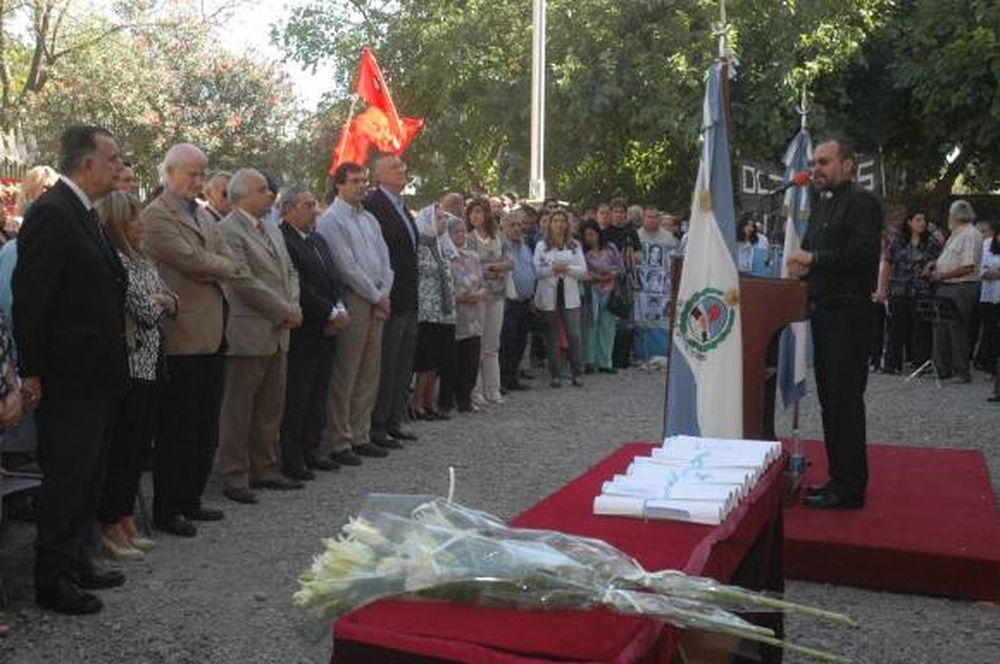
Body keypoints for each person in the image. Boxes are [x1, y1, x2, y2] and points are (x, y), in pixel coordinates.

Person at [13, 125, 129, 614]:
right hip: (68, 375)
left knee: (88, 476)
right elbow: (32, 299)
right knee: (66, 479)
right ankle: (53, 578)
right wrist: (33, 369)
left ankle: (78, 559)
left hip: (96, 373)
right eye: (113, 159)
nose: (120, 168)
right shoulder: (53, 212)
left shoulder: (83, 213)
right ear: (87, 164)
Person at [143, 143, 246, 537]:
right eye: (192, 173)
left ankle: (191, 498)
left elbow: (221, 259)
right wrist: (221, 268)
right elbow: (194, 261)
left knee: (204, 426)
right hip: (181, 336)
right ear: (168, 173)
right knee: (178, 429)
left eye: (203, 174)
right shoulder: (156, 216)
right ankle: (168, 509)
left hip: (213, 333)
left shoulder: (202, 215)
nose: (199, 181)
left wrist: (218, 267)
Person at [786, 139, 882, 510]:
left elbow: (862, 256)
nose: (816, 169)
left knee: (844, 402)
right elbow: (810, 256)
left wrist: (814, 257)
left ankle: (849, 487)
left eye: (824, 162)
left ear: (848, 165)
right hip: (824, 314)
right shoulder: (823, 203)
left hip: (849, 316)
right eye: (813, 163)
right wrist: (797, 271)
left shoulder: (861, 202)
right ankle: (839, 479)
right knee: (831, 402)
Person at [95, 192, 176, 560]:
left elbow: (170, 300)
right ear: (116, 223)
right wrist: (161, 302)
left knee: (139, 447)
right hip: (131, 366)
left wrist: (163, 302)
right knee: (124, 450)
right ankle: (110, 524)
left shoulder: (143, 259)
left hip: (152, 360)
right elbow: (146, 308)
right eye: (133, 218)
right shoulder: (120, 263)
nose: (141, 223)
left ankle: (125, 517)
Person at [216, 169, 303, 503]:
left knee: (270, 405)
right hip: (249, 329)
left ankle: (264, 467)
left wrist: (292, 304)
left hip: (280, 330)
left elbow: (290, 271)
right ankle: (235, 474)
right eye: (263, 190)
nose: (270, 195)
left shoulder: (272, 229)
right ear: (242, 195)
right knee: (239, 407)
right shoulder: (227, 230)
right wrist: (283, 309)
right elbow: (241, 279)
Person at [317, 161, 393, 465]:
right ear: (339, 185)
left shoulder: (370, 219)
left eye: (364, 180)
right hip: (355, 300)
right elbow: (346, 267)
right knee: (346, 372)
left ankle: (361, 433)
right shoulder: (332, 220)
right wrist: (376, 295)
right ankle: (340, 439)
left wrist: (384, 292)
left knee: (369, 371)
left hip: (377, 298)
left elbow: (386, 259)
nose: (363, 185)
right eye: (355, 180)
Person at [277, 185, 348, 481]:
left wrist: (339, 307)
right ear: (288, 209)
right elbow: (300, 287)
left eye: (313, 204)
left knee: (319, 393)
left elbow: (333, 279)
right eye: (306, 205)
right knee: (298, 396)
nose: (313, 210)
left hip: (327, 329)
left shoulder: (318, 239)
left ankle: (311, 450)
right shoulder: (284, 239)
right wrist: (329, 312)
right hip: (304, 329)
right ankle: (292, 458)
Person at [365, 155, 419, 447]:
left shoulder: (403, 208)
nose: (402, 169)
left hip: (409, 298)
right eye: (394, 167)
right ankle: (378, 425)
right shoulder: (374, 206)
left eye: (403, 165)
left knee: (403, 364)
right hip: (389, 297)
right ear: (378, 175)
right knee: (386, 364)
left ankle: (395, 419)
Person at [927, 200, 983, 382]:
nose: (948, 218)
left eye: (950, 214)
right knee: (940, 326)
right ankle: (941, 369)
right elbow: (951, 258)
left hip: (961, 286)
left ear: (958, 215)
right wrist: (935, 265)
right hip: (946, 285)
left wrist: (942, 276)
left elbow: (968, 266)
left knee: (955, 327)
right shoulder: (955, 234)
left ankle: (961, 371)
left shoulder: (970, 234)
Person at [466, 197, 512, 406]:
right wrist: (490, 268)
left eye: (479, 212)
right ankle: (475, 390)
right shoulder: (468, 239)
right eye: (472, 212)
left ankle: (493, 388)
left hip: (497, 293)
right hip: (478, 295)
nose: (475, 216)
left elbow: (510, 261)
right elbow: (466, 264)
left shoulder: (498, 237)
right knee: (477, 343)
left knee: (492, 344)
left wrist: (496, 267)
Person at [534, 209, 588, 388]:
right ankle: (555, 373)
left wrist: (567, 269)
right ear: (550, 224)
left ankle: (577, 372)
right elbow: (538, 271)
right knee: (552, 337)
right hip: (549, 293)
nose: (559, 224)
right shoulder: (542, 245)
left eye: (562, 221)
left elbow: (583, 272)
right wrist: (553, 269)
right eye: (556, 221)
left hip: (569, 294)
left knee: (574, 334)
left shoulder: (574, 246)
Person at [883, 211, 942, 373]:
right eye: (918, 220)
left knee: (921, 328)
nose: (922, 223)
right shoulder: (898, 240)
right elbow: (888, 263)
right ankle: (892, 364)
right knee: (896, 328)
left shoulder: (931, 241)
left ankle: (920, 364)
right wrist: (883, 288)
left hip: (921, 290)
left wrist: (931, 266)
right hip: (899, 289)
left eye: (924, 220)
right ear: (909, 222)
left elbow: (941, 259)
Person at [411, 207, 456, 420]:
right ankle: (418, 402)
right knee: (425, 360)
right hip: (426, 310)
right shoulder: (420, 244)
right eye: (438, 218)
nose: (443, 222)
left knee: (437, 359)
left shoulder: (440, 245)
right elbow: (421, 271)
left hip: (443, 310)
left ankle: (430, 400)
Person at [445, 218, 484, 412]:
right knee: (455, 359)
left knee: (471, 359)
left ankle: (466, 398)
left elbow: (483, 285)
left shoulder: (473, 257)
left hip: (474, 314)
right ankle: (450, 397)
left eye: (462, 232)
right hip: (455, 314)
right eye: (455, 232)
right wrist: (458, 297)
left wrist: (477, 294)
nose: (460, 235)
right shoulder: (446, 257)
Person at [499, 212, 536, 392]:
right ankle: (501, 380)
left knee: (520, 341)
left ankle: (513, 377)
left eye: (519, 225)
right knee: (507, 342)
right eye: (512, 225)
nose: (517, 228)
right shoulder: (501, 247)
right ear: (503, 228)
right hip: (508, 302)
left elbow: (530, 272)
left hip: (525, 302)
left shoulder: (525, 247)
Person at [581, 220, 623, 373]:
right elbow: (582, 272)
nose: (589, 238)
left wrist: (610, 274)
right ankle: (589, 361)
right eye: (586, 235)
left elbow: (620, 267)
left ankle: (605, 361)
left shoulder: (611, 248)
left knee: (608, 327)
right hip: (591, 291)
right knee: (591, 326)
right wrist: (597, 277)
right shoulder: (583, 252)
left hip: (610, 291)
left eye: (592, 234)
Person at [978, 220, 999, 400]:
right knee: (990, 332)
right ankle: (990, 367)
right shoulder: (986, 245)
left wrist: (995, 272)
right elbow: (983, 271)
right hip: (989, 296)